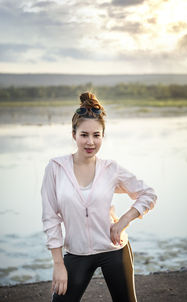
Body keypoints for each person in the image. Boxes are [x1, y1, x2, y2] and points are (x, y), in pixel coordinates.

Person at [41, 91, 157, 302]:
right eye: (84, 134)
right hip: (77, 253)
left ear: (103, 136)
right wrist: (58, 264)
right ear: (74, 134)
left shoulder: (111, 169)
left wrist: (123, 221)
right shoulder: (55, 168)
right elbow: (50, 219)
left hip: (114, 249)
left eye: (97, 135)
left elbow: (148, 194)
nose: (90, 142)